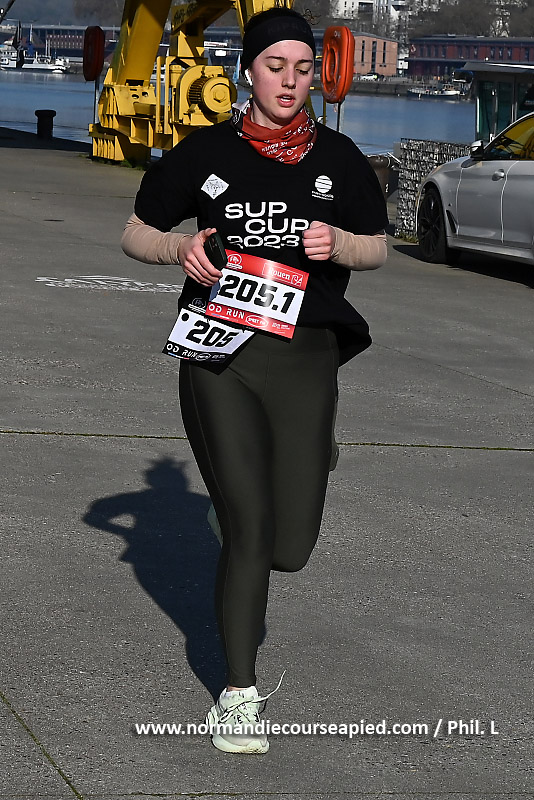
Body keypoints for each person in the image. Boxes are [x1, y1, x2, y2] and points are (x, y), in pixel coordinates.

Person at [122, 6, 388, 755]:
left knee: (290, 547)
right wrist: (180, 250)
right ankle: (238, 695)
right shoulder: (205, 152)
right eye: (276, 67)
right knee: (248, 529)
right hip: (221, 356)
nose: (290, 82)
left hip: (306, 358)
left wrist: (340, 243)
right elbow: (135, 232)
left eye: (302, 70)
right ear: (248, 72)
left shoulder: (338, 157)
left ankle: (303, 459)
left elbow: (378, 247)